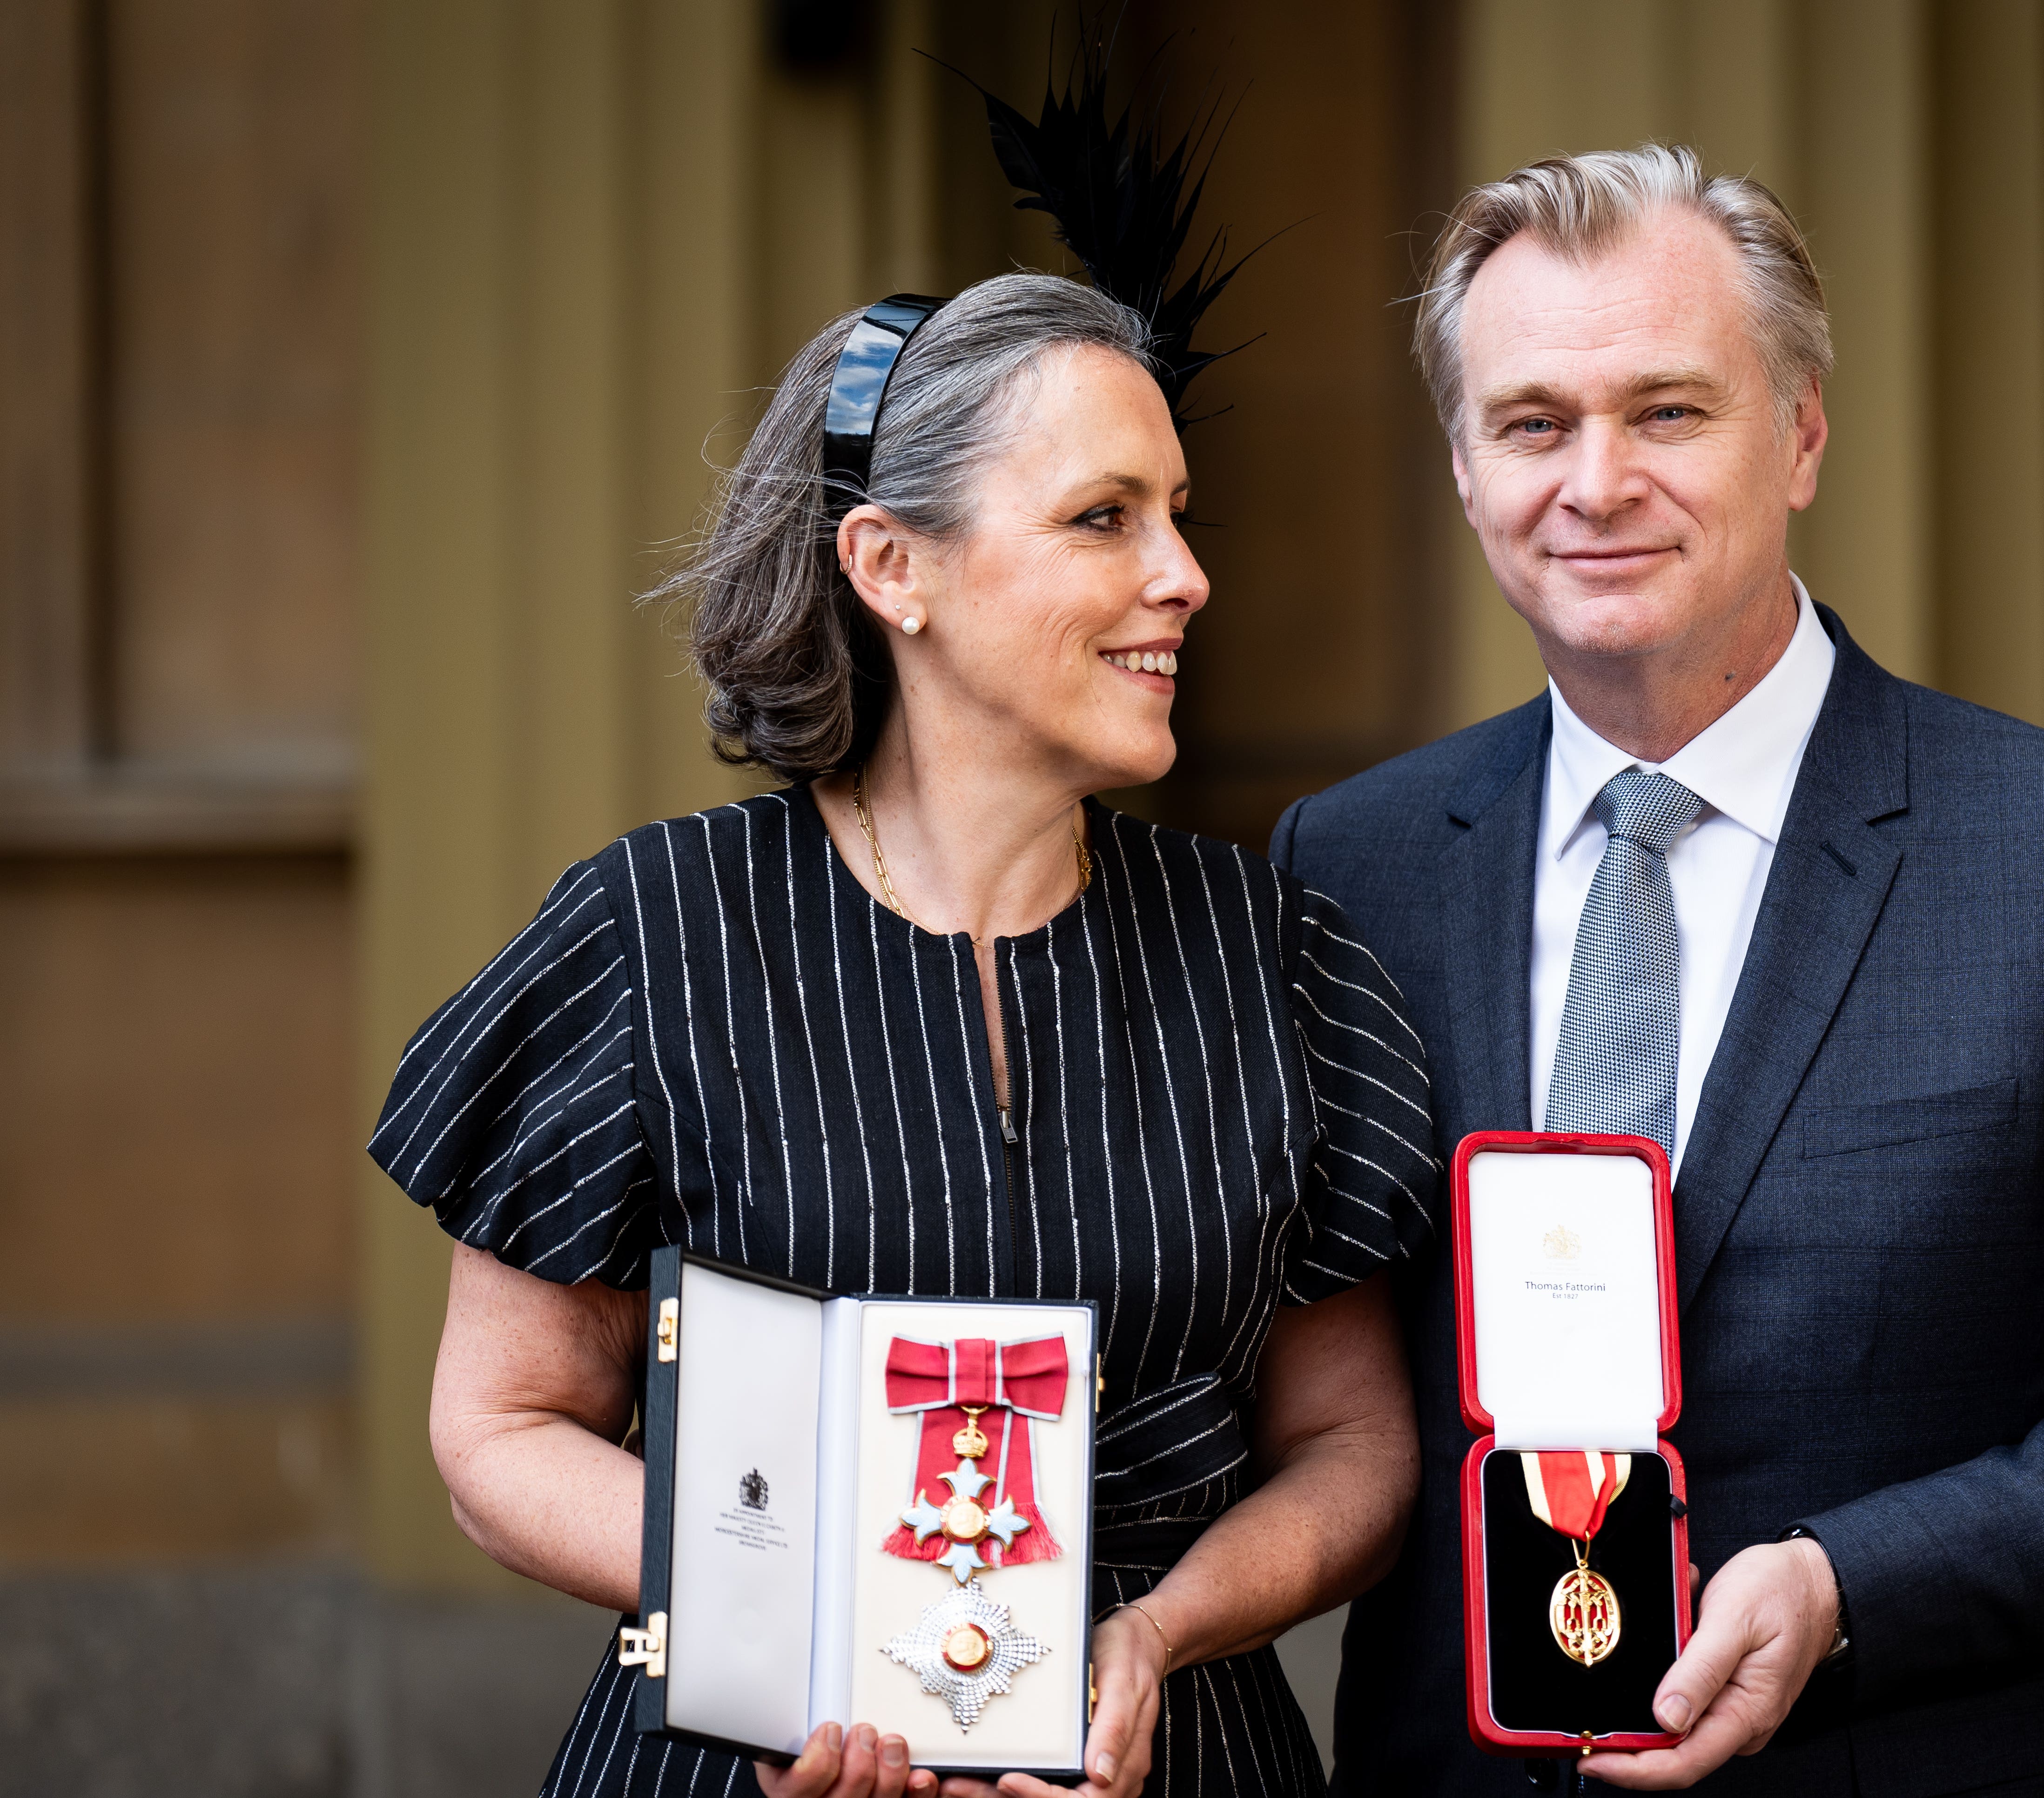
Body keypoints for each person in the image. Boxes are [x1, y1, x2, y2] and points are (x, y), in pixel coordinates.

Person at [1273, 146, 2044, 1796]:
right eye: (1534, 422)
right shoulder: (1352, 866)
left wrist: (1845, 1585)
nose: (1597, 480)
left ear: (1804, 436)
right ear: (1467, 470)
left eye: (1670, 412)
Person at [371, 272, 1438, 1798]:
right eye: (1104, 518)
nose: (1187, 574)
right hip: (769, 1754)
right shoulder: (656, 933)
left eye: (1178, 513)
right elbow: (502, 1428)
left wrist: (1154, 1636)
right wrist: (816, 1640)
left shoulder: (1266, 948)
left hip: (1172, 1754)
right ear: (891, 565)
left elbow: (1353, 1448)